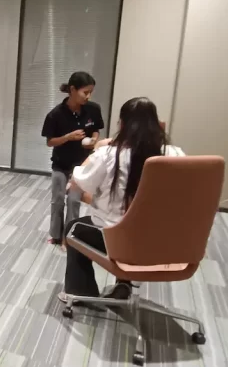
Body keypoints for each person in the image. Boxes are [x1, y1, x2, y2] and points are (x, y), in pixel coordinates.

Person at [60, 97, 184, 299]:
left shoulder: (109, 154)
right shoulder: (176, 155)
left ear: (123, 124)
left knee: (74, 228)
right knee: (129, 221)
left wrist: (97, 149)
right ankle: (123, 284)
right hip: (162, 243)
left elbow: (76, 184)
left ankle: (81, 294)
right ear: (156, 125)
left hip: (117, 241)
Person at [41, 72, 104, 244]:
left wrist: (94, 140)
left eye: (91, 92)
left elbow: (97, 129)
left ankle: (69, 239)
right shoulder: (55, 114)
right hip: (61, 164)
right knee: (58, 201)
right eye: (85, 92)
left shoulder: (93, 109)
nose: (88, 96)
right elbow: (50, 142)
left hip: (82, 166)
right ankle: (55, 235)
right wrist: (68, 137)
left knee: (74, 201)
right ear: (72, 89)